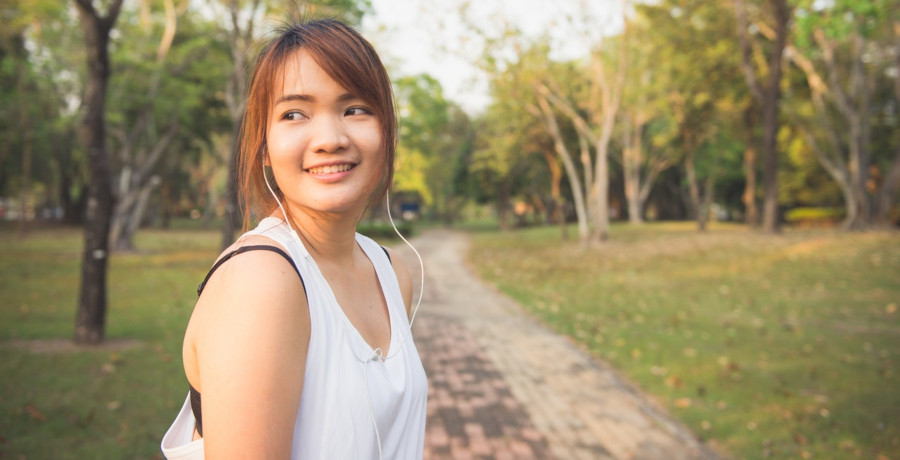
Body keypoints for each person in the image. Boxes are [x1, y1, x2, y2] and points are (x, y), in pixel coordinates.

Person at [160, 18, 428, 459]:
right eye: (294, 114)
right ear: (264, 145)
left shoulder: (391, 270)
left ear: (386, 130)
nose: (330, 139)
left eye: (355, 108)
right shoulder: (261, 280)